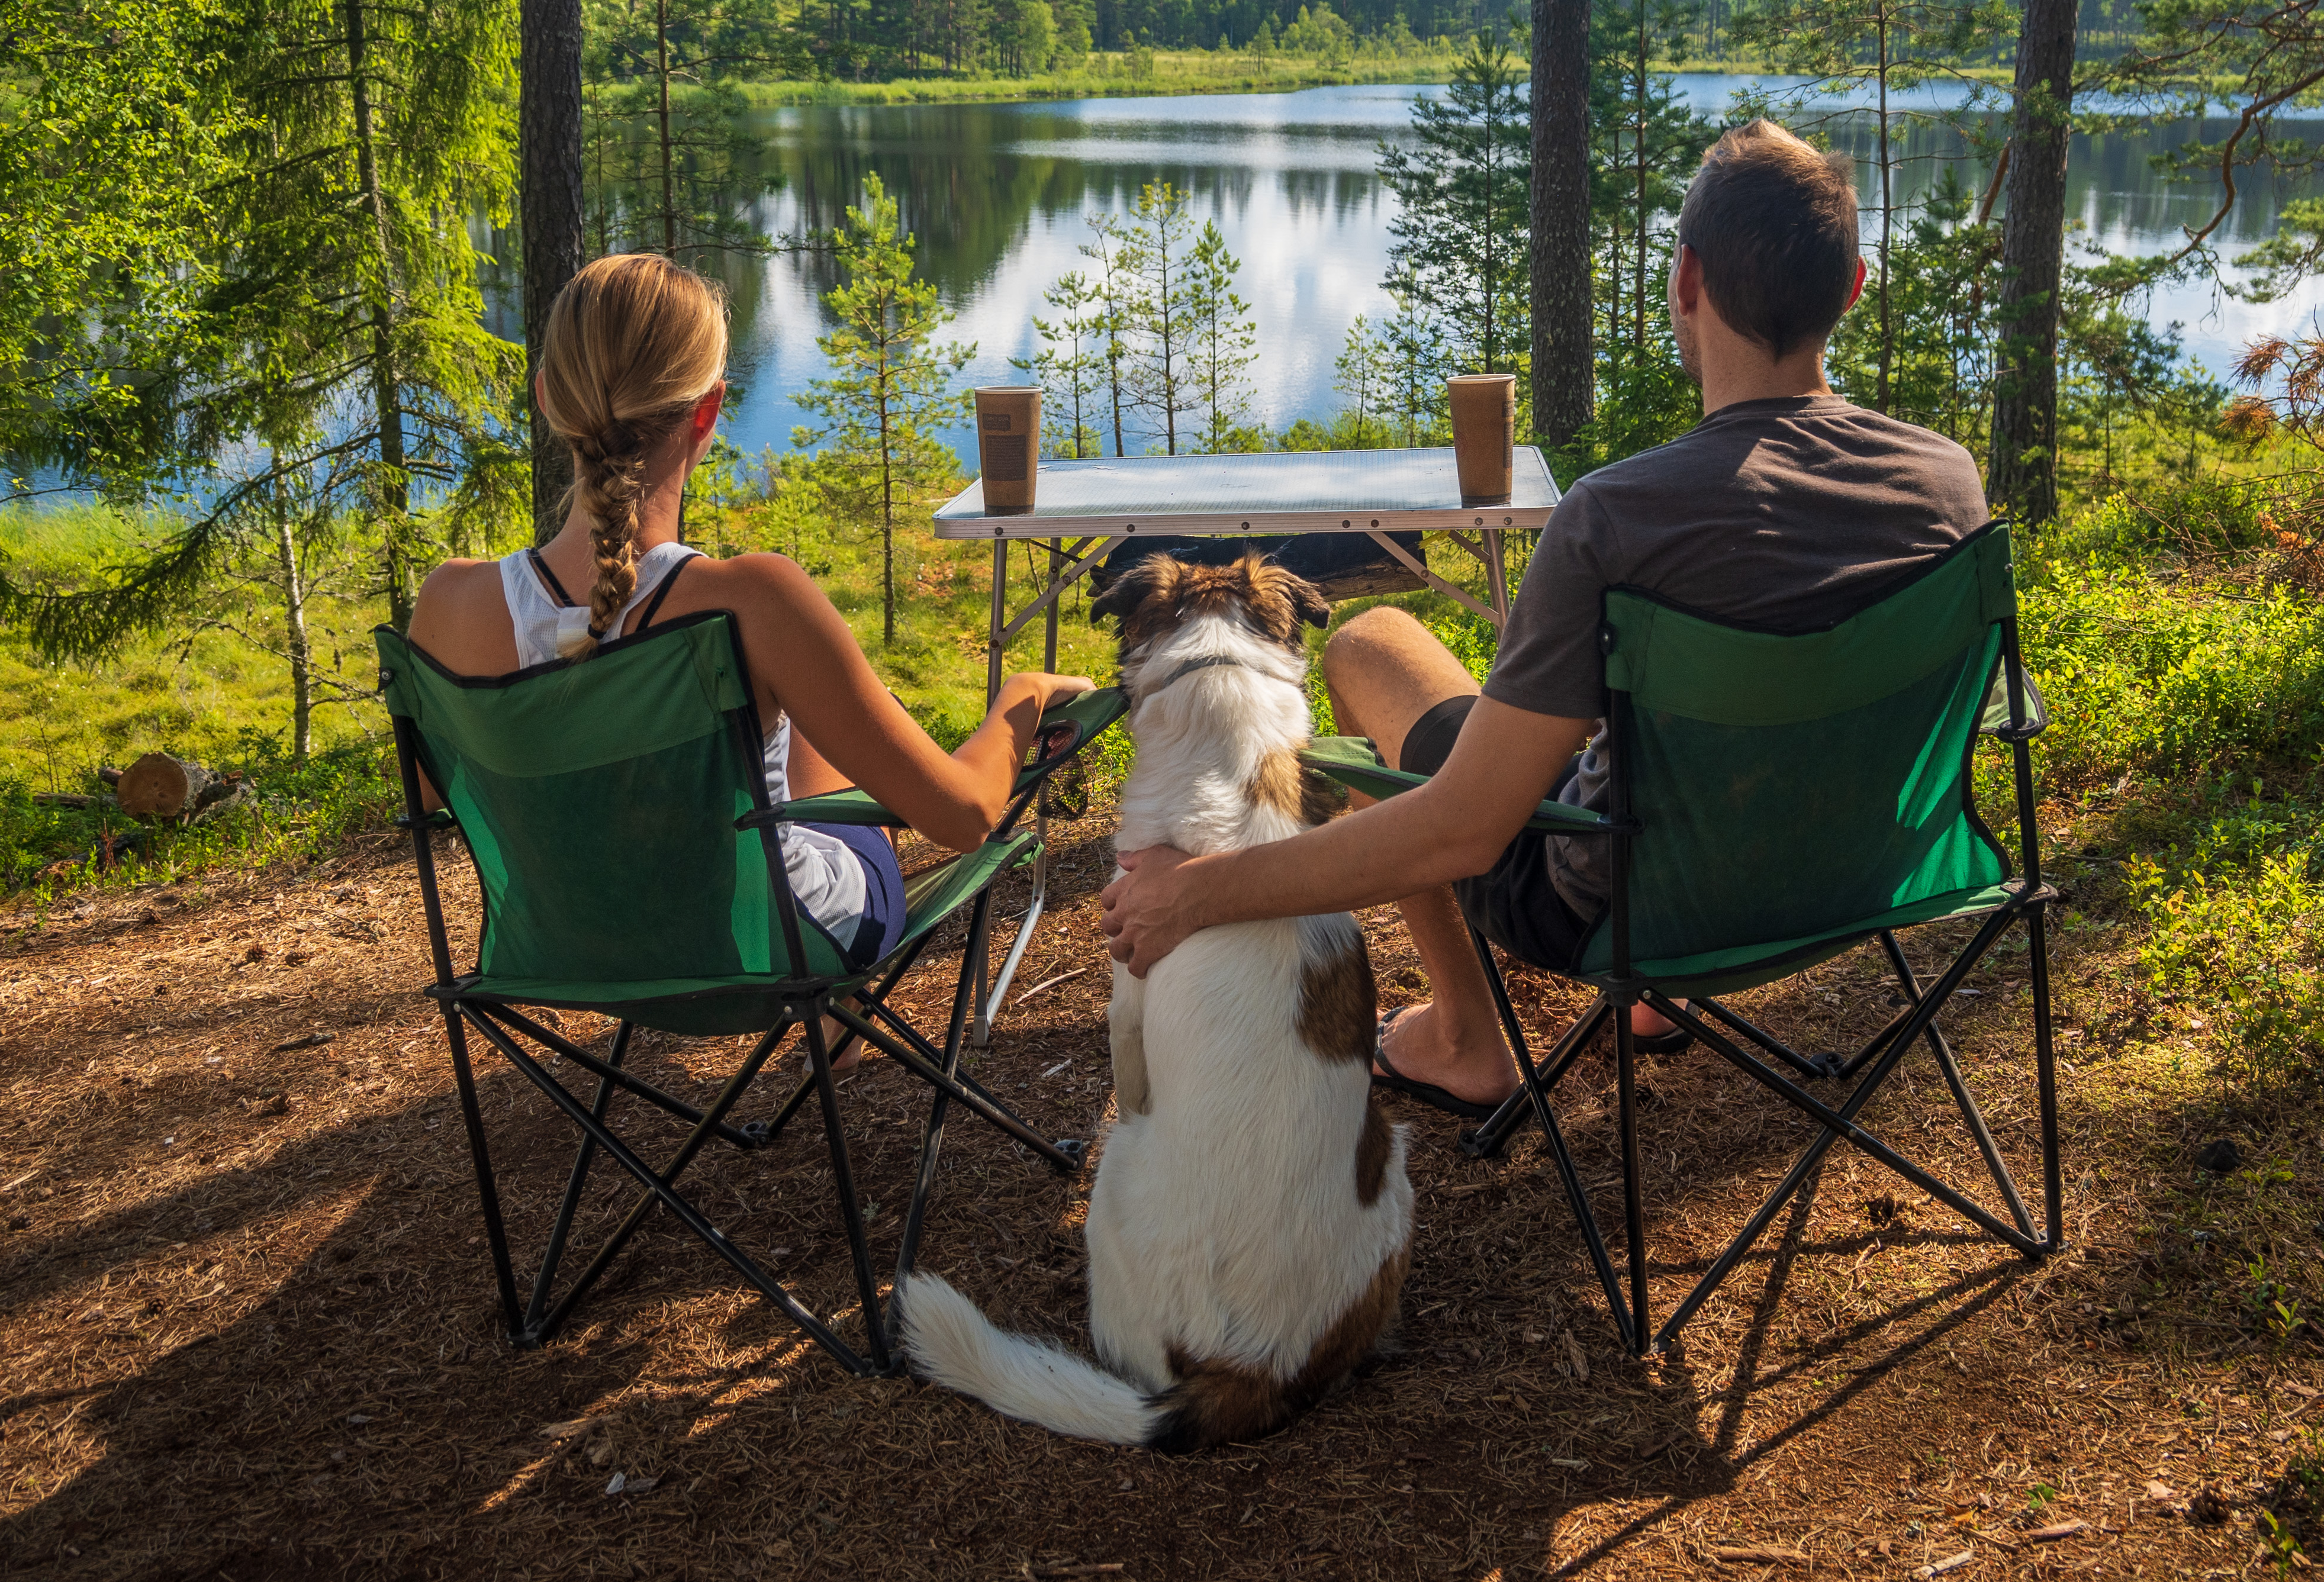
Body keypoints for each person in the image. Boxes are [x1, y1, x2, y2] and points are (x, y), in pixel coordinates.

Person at [1097, 121, 1989, 1115]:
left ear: (1685, 281)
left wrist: (1198, 890)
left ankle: (1468, 1040)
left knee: (1367, 642)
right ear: (1852, 286)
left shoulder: (1614, 518)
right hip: (1865, 871)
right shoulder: (1946, 484)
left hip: (1623, 903)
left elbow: (1464, 832)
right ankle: (1650, 1004)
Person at [408, 253, 1090, 950]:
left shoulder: (451, 604)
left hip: (573, 945)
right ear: (708, 411)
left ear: (548, 397)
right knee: (821, 752)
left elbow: (426, 797)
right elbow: (965, 814)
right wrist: (1025, 691)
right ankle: (838, 1033)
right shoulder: (752, 603)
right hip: (769, 948)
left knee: (772, 713)